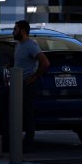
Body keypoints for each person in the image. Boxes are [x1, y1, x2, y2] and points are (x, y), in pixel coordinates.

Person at [13, 19, 49, 149]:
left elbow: (45, 63)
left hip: (27, 85)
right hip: (17, 84)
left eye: (15, 29)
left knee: (27, 113)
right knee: (18, 112)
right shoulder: (18, 44)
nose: (13, 32)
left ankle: (28, 143)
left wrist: (34, 77)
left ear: (22, 31)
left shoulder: (31, 45)